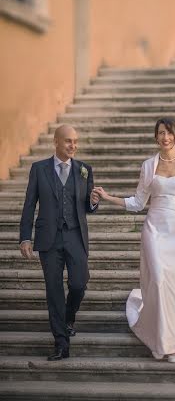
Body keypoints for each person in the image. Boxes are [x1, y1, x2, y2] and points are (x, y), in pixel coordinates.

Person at [92, 117, 175, 363]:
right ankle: (167, 344)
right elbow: (137, 202)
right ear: (156, 137)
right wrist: (108, 197)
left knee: (173, 287)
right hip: (155, 229)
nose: (165, 137)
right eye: (160, 133)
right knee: (157, 280)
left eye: (169, 132)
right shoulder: (148, 166)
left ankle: (163, 341)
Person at [19, 124, 98, 360]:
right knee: (53, 290)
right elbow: (29, 204)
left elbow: (88, 207)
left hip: (75, 235)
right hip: (49, 239)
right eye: (68, 141)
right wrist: (25, 236)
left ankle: (68, 317)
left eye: (75, 141)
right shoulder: (39, 169)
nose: (73, 145)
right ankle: (61, 343)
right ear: (56, 142)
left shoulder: (84, 169)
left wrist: (93, 202)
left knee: (79, 284)